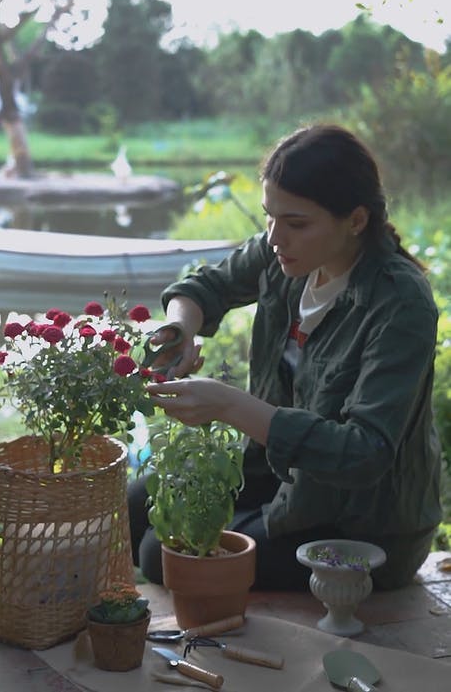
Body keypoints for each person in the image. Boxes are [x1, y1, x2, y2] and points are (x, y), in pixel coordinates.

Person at [128, 124, 441, 591]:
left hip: (362, 524)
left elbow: (363, 454)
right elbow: (204, 287)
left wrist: (230, 405)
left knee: (162, 553)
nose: (275, 238)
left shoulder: (399, 302)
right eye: (269, 217)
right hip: (280, 476)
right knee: (138, 499)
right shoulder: (287, 257)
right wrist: (179, 330)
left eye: (296, 223)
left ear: (355, 221)